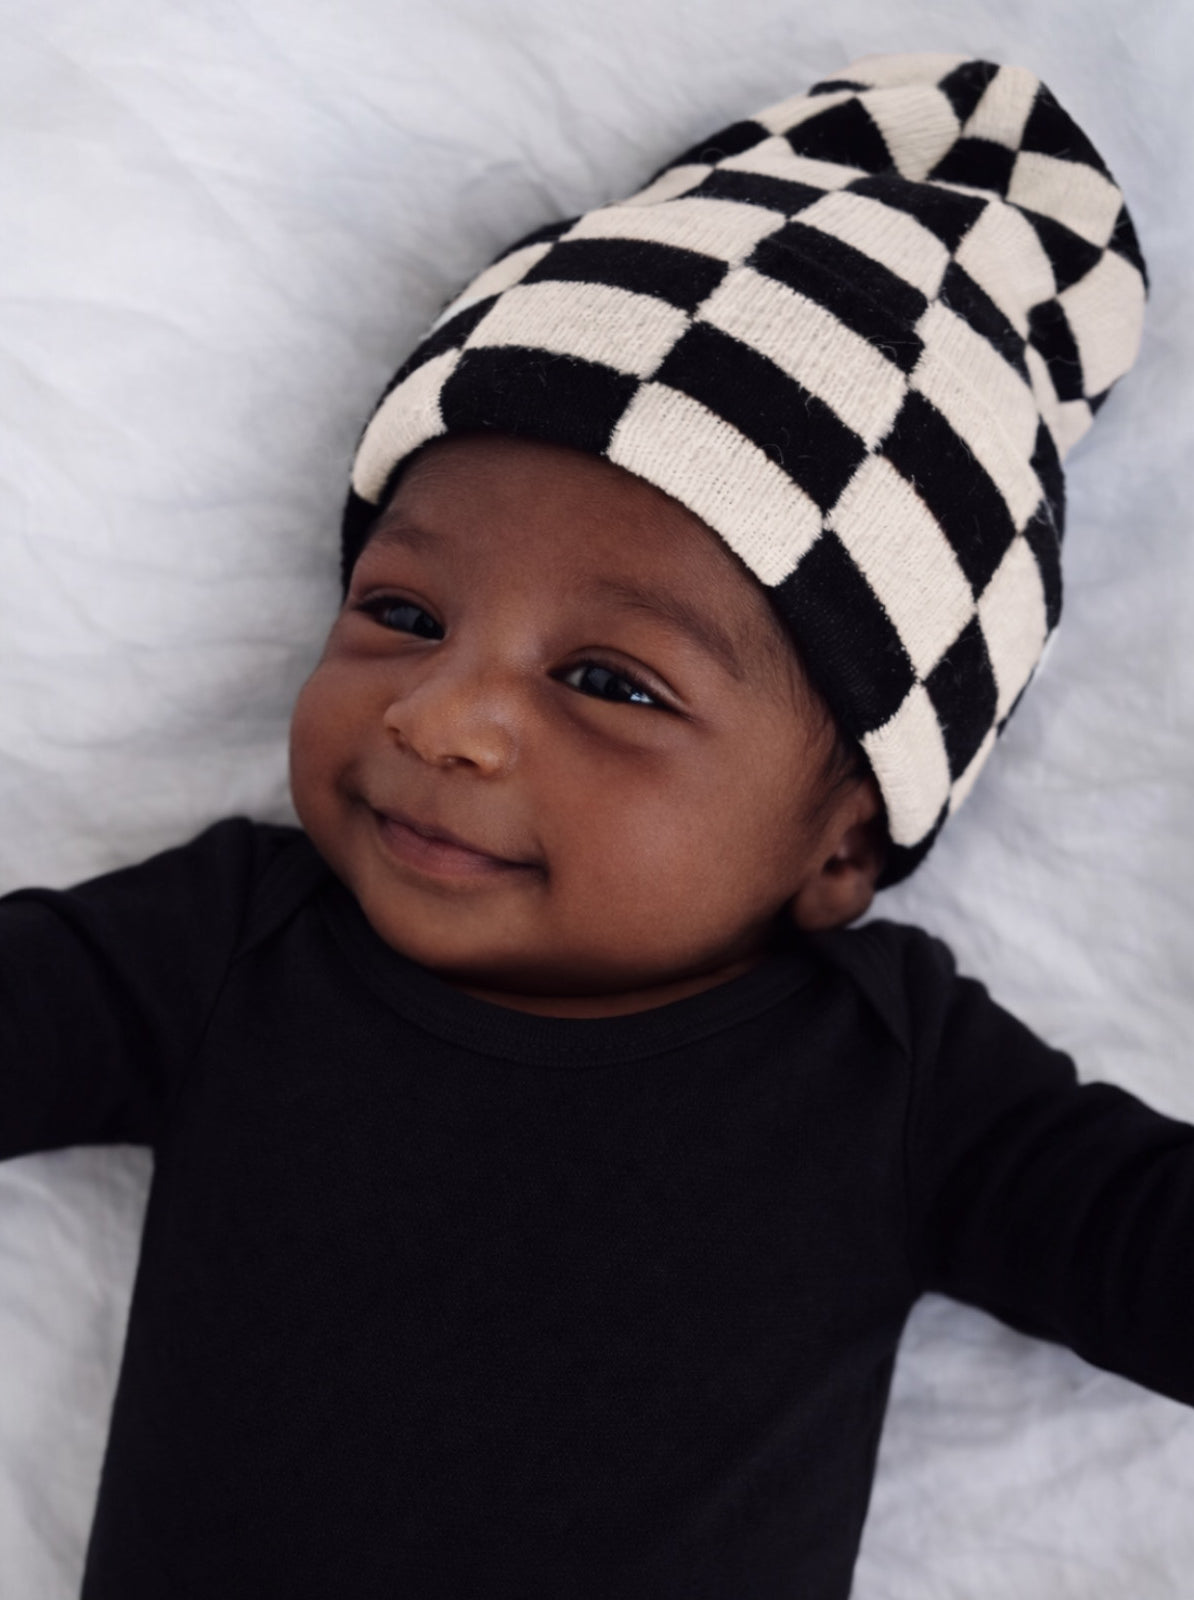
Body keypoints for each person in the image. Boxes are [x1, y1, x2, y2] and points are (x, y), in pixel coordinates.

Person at [1, 48, 1188, 1600]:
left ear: (845, 843)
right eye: (404, 611)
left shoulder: (894, 1085)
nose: (442, 716)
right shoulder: (230, 950)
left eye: (608, 683)